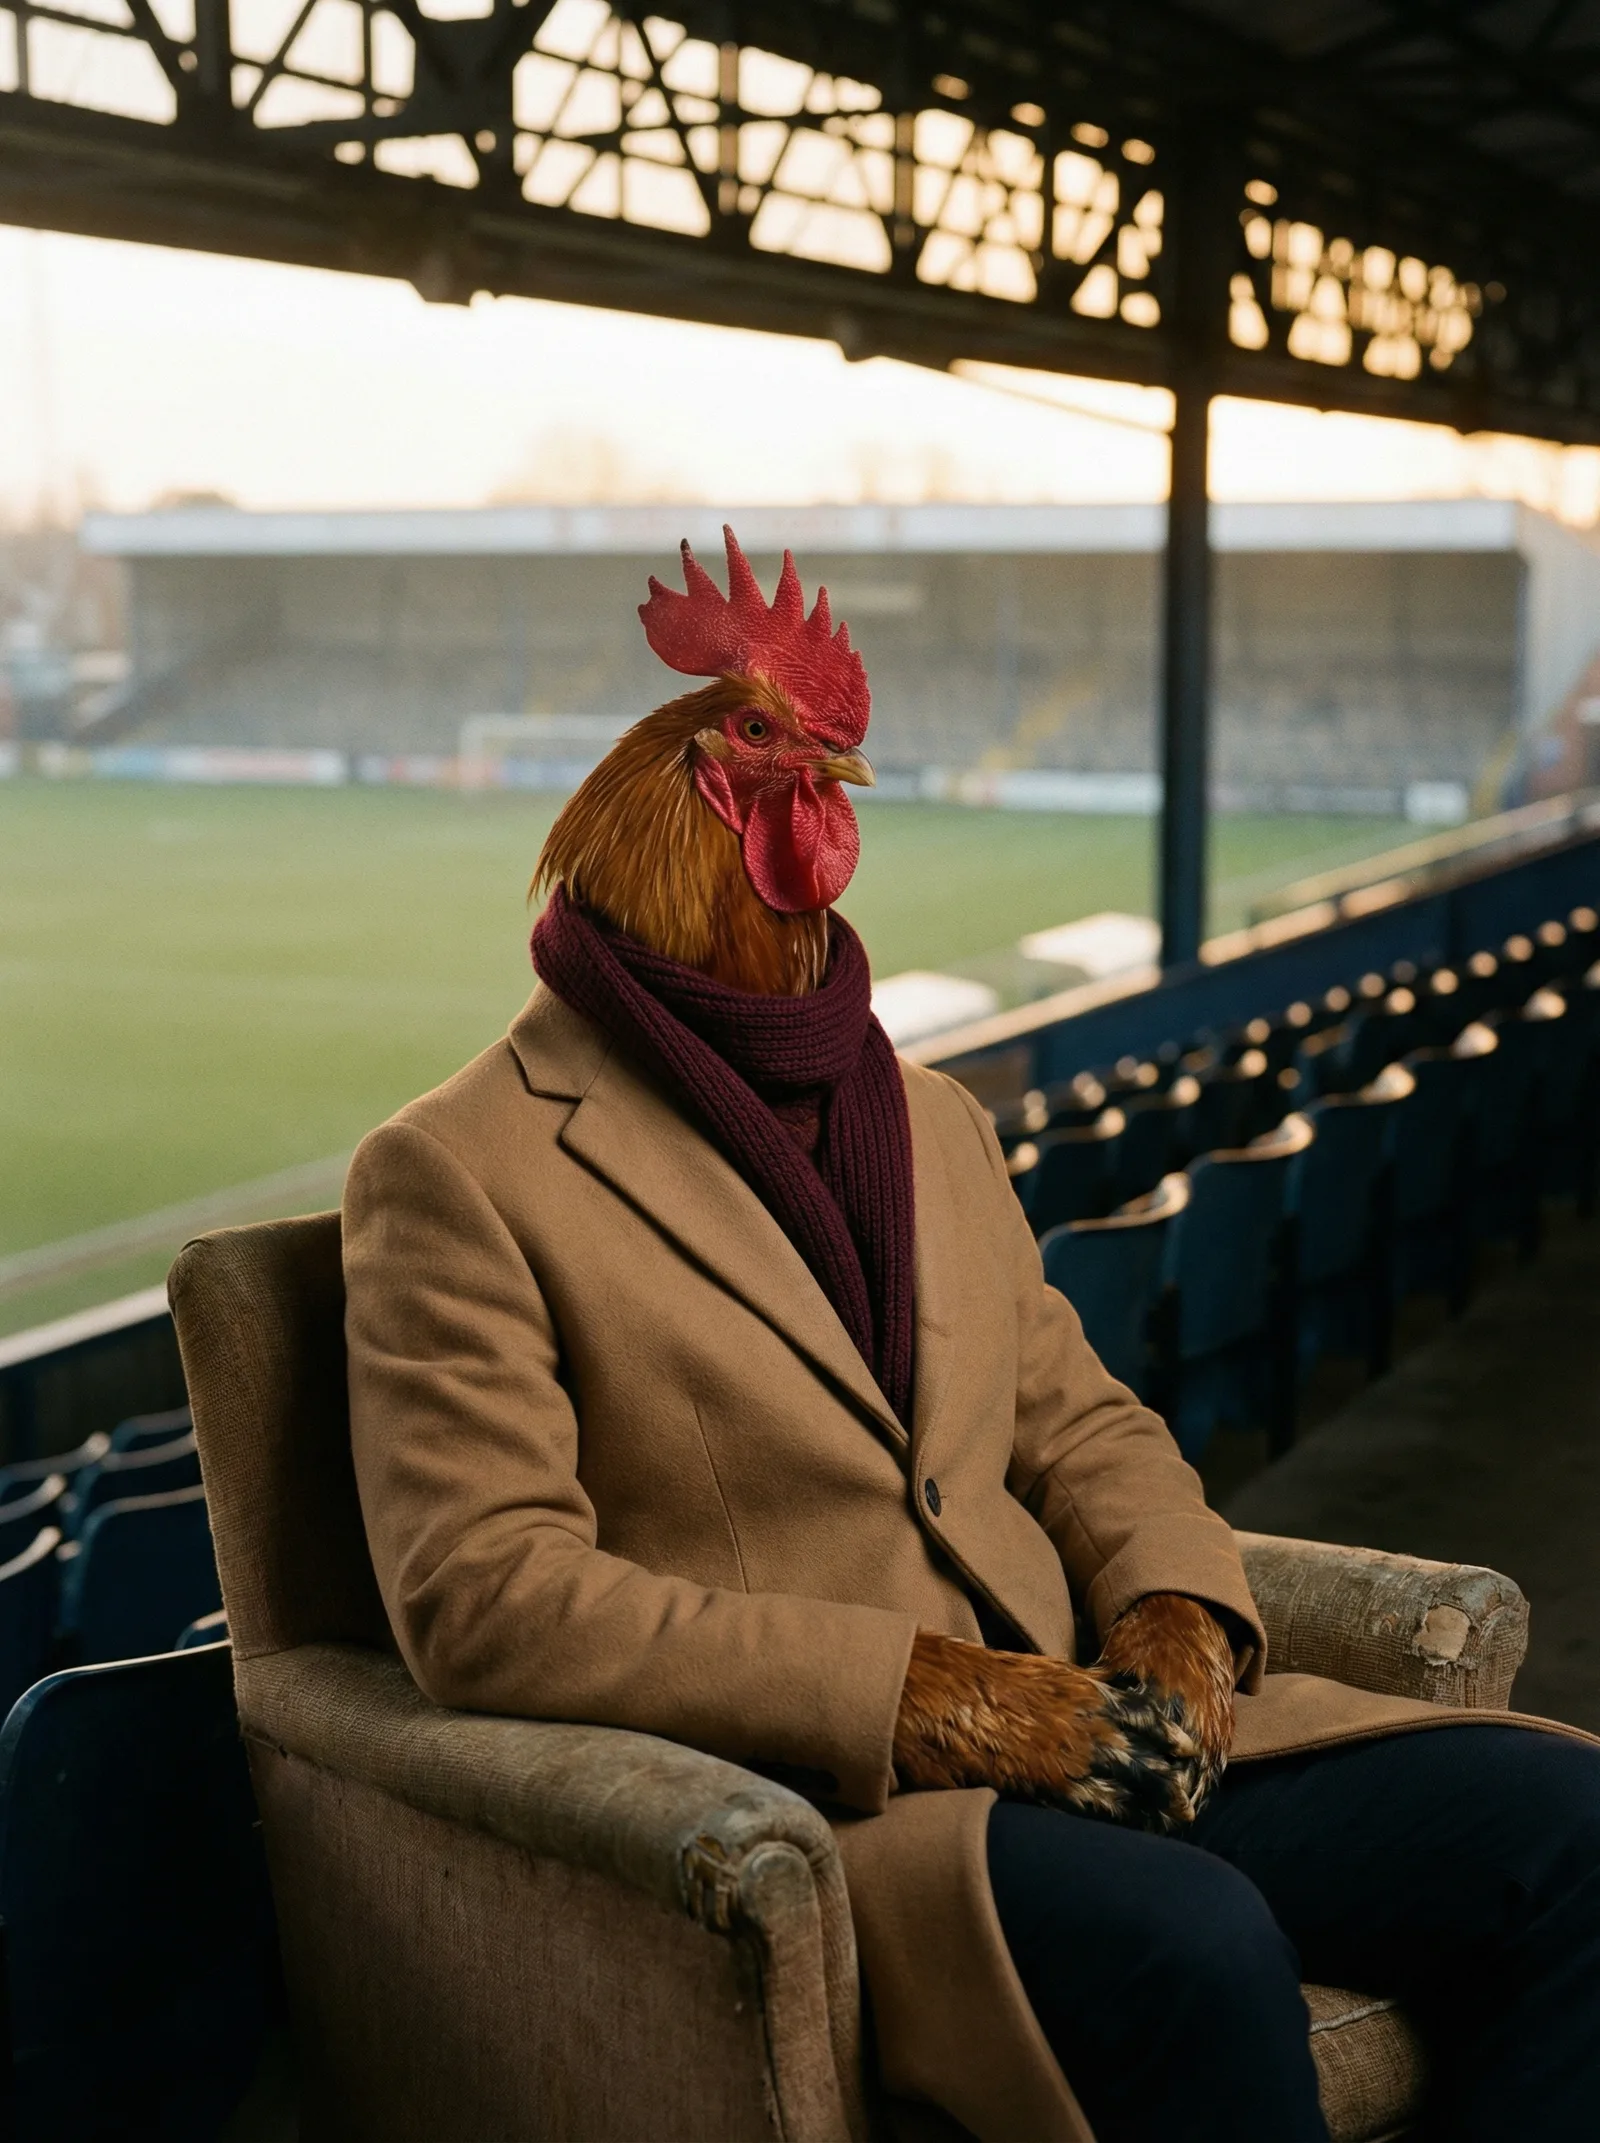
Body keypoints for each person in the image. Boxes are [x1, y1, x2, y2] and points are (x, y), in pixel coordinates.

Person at [344, 531, 1600, 2140]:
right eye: (767, 739)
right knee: (1199, 1953)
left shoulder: (926, 1116)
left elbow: (1077, 1421)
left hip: (1107, 1733)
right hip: (859, 1802)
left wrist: (1173, 1619)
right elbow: (490, 1597)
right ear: (703, 790)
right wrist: (933, 1693)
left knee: (1571, 1822)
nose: (825, 764)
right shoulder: (459, 1168)